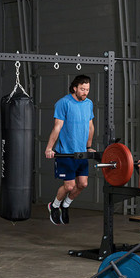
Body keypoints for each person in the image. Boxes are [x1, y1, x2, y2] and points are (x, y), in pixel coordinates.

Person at [45, 74, 95, 225]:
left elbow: (90, 126)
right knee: (69, 186)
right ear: (75, 88)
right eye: (82, 89)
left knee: (83, 184)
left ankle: (65, 205)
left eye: (87, 89)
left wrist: (89, 146)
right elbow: (57, 127)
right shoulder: (63, 103)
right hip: (66, 152)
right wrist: (49, 148)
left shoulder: (89, 103)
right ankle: (54, 206)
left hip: (82, 153)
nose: (85, 92)